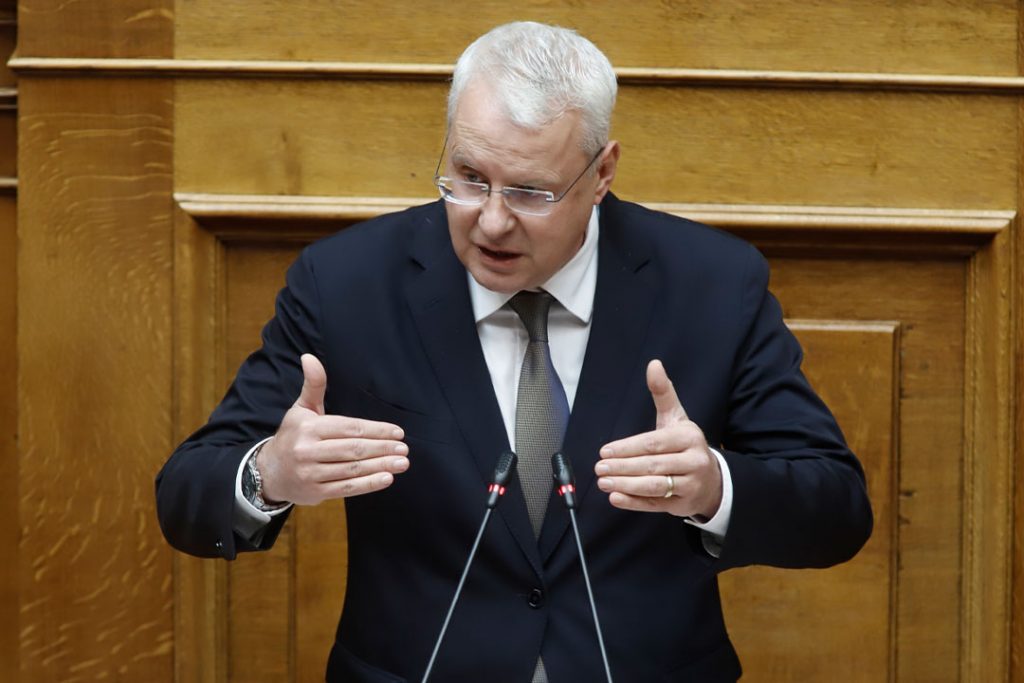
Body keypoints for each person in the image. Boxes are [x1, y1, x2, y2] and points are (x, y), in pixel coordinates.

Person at [156, 21, 872, 682]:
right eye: (469, 178)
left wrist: (714, 487)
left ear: (602, 172)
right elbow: (187, 492)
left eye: (531, 192)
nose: (491, 222)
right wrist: (271, 473)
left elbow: (837, 508)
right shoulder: (347, 283)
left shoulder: (712, 285)